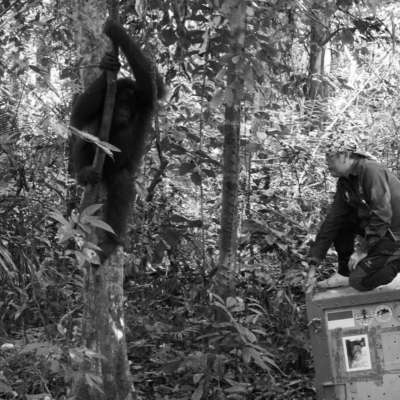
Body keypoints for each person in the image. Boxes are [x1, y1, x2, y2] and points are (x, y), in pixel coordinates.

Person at [308, 137, 400, 291]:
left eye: (330, 157)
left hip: (395, 233)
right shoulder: (345, 182)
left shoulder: (371, 170)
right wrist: (313, 264)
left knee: (359, 281)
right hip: (382, 231)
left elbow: (382, 215)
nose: (326, 163)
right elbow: (333, 220)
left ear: (344, 156)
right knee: (340, 222)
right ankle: (344, 273)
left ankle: (396, 262)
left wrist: (362, 250)